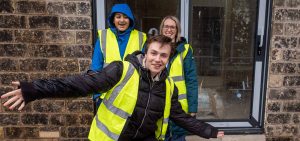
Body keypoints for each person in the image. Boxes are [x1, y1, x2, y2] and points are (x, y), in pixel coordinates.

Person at [1, 35, 224, 141]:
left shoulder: (167, 86)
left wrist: (210, 132)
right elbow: (79, 84)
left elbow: (181, 117)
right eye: (154, 53)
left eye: (163, 55)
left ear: (168, 59)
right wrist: (34, 90)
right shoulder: (122, 70)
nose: (158, 59)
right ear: (146, 53)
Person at [91, 3, 147, 110]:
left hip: (131, 96)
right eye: (118, 17)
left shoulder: (141, 38)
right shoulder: (104, 36)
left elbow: (144, 70)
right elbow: (95, 67)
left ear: (130, 19)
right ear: (113, 19)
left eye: (126, 17)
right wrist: (97, 95)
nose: (122, 20)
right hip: (107, 96)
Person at [160, 16, 198, 141]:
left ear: (177, 30)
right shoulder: (153, 47)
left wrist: (192, 108)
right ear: (162, 28)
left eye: (172, 27)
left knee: (177, 137)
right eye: (166, 26)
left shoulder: (185, 50)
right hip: (158, 105)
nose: (169, 29)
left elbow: (191, 80)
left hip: (178, 107)